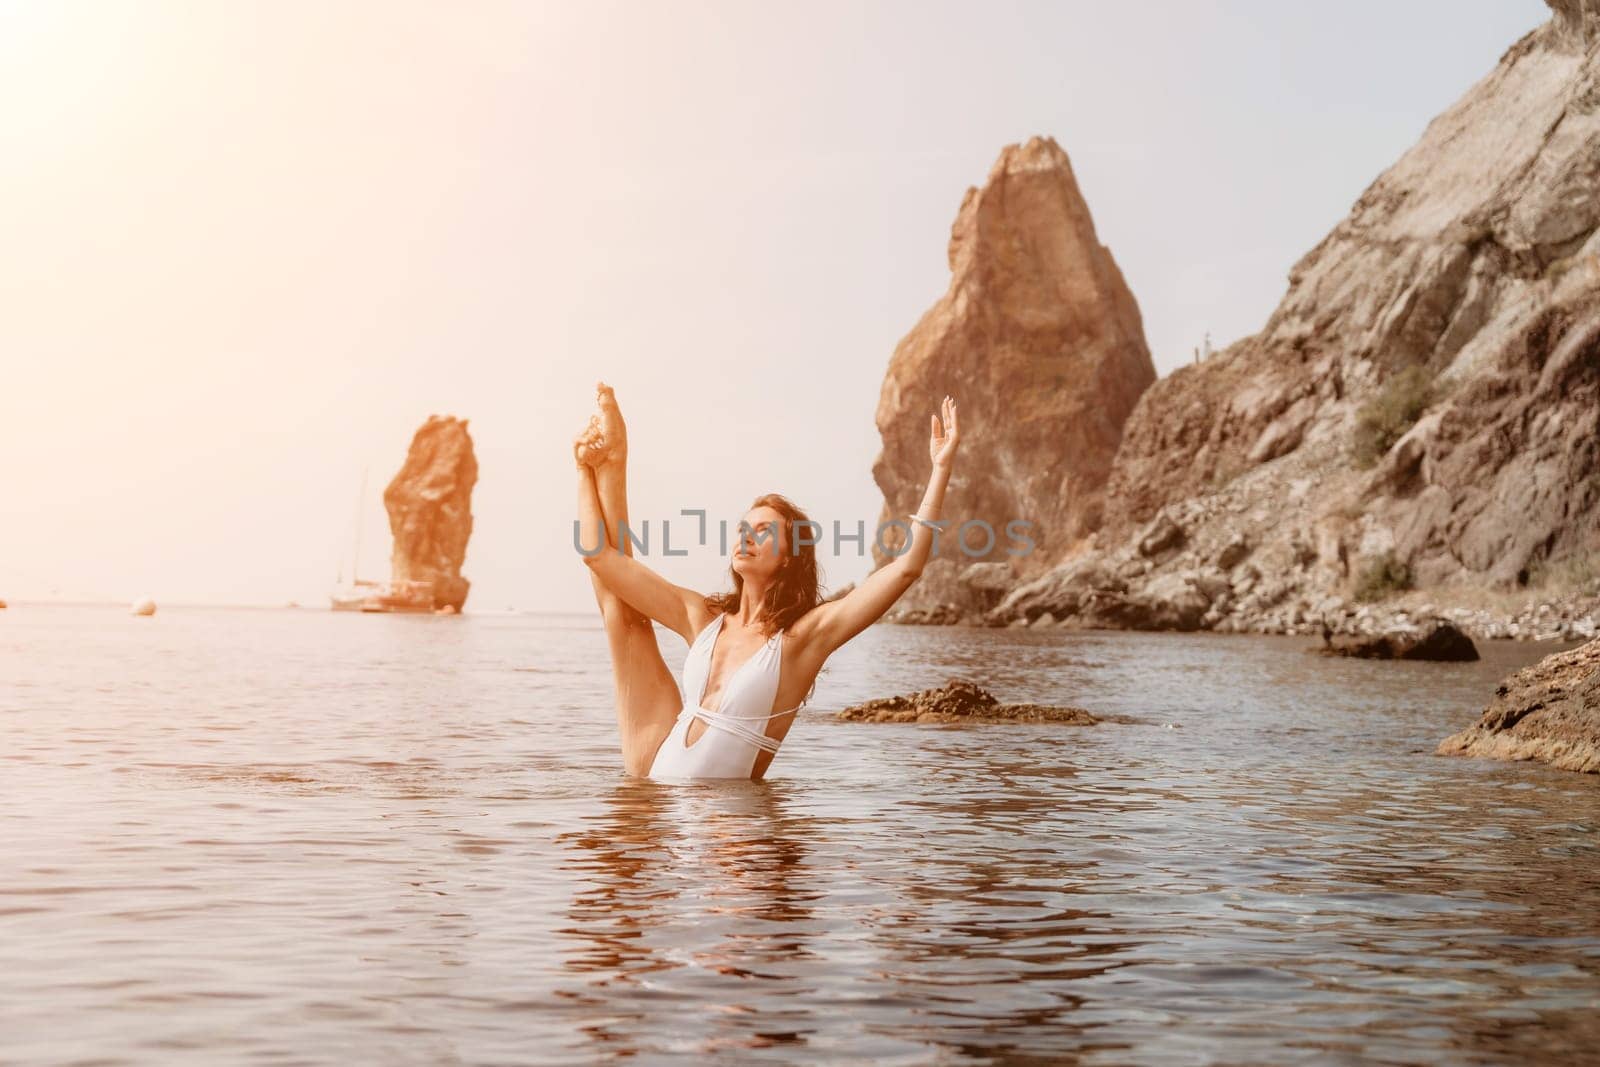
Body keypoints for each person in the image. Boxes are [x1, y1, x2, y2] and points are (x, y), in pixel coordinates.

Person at [573, 381, 961, 780]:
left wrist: (941, 469)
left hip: (724, 830)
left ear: (790, 554)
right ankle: (609, 463)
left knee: (625, 617)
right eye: (744, 527)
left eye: (762, 530)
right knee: (623, 617)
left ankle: (609, 462)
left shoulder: (800, 640)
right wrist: (582, 471)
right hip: (655, 775)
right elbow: (598, 557)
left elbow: (907, 567)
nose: (746, 536)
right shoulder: (702, 617)